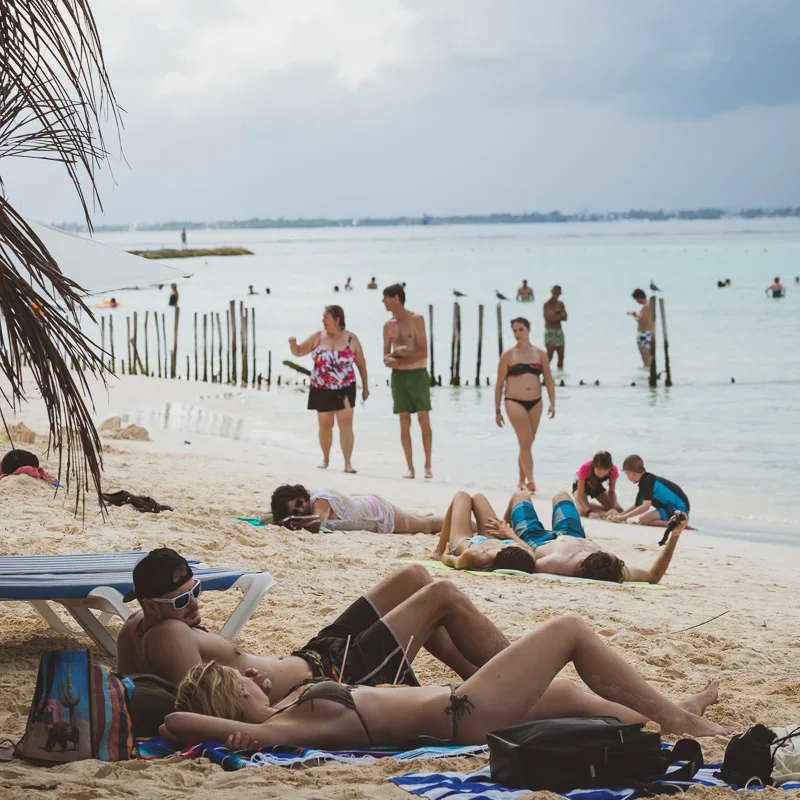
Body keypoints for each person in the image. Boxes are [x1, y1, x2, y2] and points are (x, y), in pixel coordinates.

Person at [163, 621, 730, 750]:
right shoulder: (277, 726)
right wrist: (246, 725)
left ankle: (668, 710)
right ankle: (680, 718)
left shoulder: (286, 709)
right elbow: (174, 723)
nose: (254, 676)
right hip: (466, 710)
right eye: (243, 681)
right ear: (232, 700)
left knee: (598, 709)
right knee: (570, 631)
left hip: (467, 708)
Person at [118, 550, 509, 697]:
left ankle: (478, 677)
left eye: (196, 591)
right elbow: (200, 705)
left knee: (415, 578)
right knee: (441, 595)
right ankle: (518, 664)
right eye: (182, 600)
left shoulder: (132, 627)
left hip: (314, 655)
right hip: (334, 676)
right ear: (152, 606)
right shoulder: (170, 634)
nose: (194, 606)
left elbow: (132, 690)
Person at [288, 306, 368, 473]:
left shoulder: (351, 339)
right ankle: (325, 459)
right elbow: (299, 351)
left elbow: (361, 364)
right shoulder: (318, 337)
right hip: (321, 388)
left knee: (346, 424)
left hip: (345, 387)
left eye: (326, 317)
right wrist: (293, 345)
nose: (323, 321)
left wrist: (365, 388)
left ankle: (347, 463)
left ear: (337, 319)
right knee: (325, 425)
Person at [495, 317, 555, 493]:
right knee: (525, 441)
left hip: (536, 402)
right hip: (513, 401)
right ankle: (531, 479)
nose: (517, 333)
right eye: (514, 330)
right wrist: (497, 410)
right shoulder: (508, 355)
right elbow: (499, 384)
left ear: (529, 330)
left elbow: (549, 381)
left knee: (527, 443)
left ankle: (521, 480)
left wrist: (553, 403)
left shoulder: (540, 354)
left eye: (521, 329)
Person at [383, 284, 433, 479]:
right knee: (404, 422)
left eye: (385, 298)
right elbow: (385, 355)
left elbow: (423, 351)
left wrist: (404, 356)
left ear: (396, 298)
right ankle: (410, 467)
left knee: (423, 419)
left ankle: (427, 465)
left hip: (417, 374)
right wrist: (392, 357)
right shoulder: (388, 326)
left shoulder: (416, 319)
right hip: (398, 377)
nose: (382, 302)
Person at [269, 483, 443, 534]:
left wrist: (286, 521)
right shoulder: (310, 503)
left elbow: (317, 524)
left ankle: (467, 525)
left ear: (304, 495)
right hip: (368, 508)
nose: (301, 510)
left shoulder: (319, 501)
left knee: (424, 526)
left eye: (299, 504)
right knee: (418, 519)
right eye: (295, 512)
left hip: (378, 514)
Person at [432, 491, 536, 573]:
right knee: (479, 497)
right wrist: (509, 534)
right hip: (491, 538)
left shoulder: (474, 555)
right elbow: (528, 549)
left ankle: (438, 550)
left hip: (466, 542)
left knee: (462, 496)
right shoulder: (524, 558)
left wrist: (444, 556)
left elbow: (454, 562)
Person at [612, 455, 690, 528]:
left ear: (631, 473)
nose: (627, 477)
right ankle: (676, 523)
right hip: (671, 507)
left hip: (679, 509)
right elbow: (637, 505)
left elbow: (645, 506)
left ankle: (679, 524)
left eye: (626, 473)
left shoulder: (647, 482)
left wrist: (622, 517)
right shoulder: (645, 481)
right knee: (645, 519)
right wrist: (620, 515)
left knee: (643, 519)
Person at [572, 450, 622, 518]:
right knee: (582, 512)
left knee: (615, 509)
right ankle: (584, 506)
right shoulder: (585, 467)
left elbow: (611, 492)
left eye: (605, 473)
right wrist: (589, 512)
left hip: (595, 485)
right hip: (580, 486)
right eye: (599, 473)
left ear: (609, 468)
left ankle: (589, 505)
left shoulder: (613, 470)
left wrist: (615, 504)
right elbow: (580, 495)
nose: (602, 476)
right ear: (593, 466)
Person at [543, 285, 567, 369]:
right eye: (554, 292)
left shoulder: (561, 304)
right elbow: (549, 319)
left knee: (561, 356)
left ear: (560, 293)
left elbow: (565, 317)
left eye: (557, 293)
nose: (555, 295)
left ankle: (560, 375)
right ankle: (544, 374)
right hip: (550, 331)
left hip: (559, 331)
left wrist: (556, 315)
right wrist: (559, 315)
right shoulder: (547, 304)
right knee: (549, 355)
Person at [628, 289, 651, 366]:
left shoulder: (646, 307)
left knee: (646, 360)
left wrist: (634, 316)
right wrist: (636, 315)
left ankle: (648, 375)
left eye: (636, 299)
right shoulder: (648, 306)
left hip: (644, 334)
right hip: (646, 333)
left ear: (639, 297)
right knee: (647, 359)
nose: (636, 301)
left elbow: (642, 321)